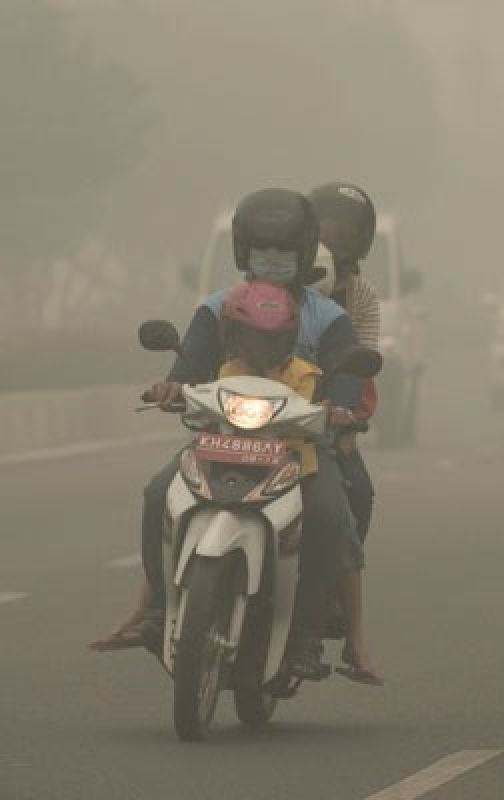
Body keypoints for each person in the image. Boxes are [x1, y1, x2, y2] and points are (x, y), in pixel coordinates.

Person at [91, 188, 363, 681]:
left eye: (283, 250)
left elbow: (348, 380)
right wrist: (171, 388)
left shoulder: (330, 317)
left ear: (304, 253)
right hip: (220, 443)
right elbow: (189, 367)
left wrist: (340, 408)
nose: (272, 260)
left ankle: (304, 637)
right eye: (262, 248)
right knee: (158, 493)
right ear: (243, 250)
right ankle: (158, 611)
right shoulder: (215, 309)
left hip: (297, 453)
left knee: (327, 513)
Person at [307, 181, 383, 685]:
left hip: (325, 418)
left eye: (343, 229)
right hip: (262, 411)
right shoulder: (272, 284)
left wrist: (347, 419)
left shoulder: (360, 297)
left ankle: (335, 594)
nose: (332, 238)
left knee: (357, 493)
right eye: (323, 226)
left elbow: (360, 364)